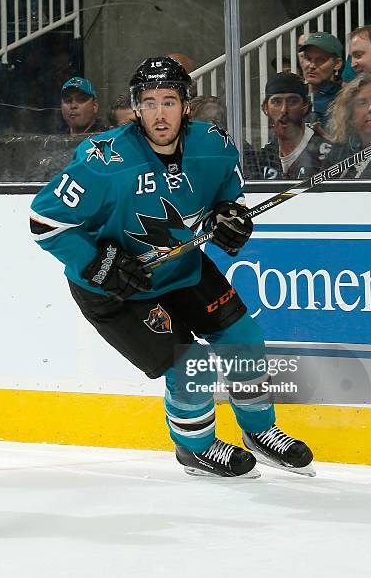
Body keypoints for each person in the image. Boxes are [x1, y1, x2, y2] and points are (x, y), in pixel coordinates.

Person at [30, 56, 314, 478]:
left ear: (187, 105)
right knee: (190, 365)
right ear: (136, 107)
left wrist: (228, 215)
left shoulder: (213, 145)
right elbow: (44, 222)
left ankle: (260, 430)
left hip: (179, 267)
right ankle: (195, 448)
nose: (159, 113)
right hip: (115, 289)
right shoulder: (104, 160)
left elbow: (228, 195)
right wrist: (99, 263)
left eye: (169, 101)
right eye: (148, 102)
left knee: (244, 337)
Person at [255, 73, 332, 180]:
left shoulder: (329, 153)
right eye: (276, 102)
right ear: (265, 108)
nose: (284, 110)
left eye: (293, 102)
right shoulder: (264, 158)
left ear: (305, 106)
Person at [188, 94, 259, 179]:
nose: (213, 126)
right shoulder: (182, 152)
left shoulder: (242, 150)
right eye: (206, 122)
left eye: (217, 121)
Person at [299, 32, 343, 128]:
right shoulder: (296, 96)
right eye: (308, 58)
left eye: (320, 60)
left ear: (337, 64)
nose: (312, 66)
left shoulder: (345, 98)